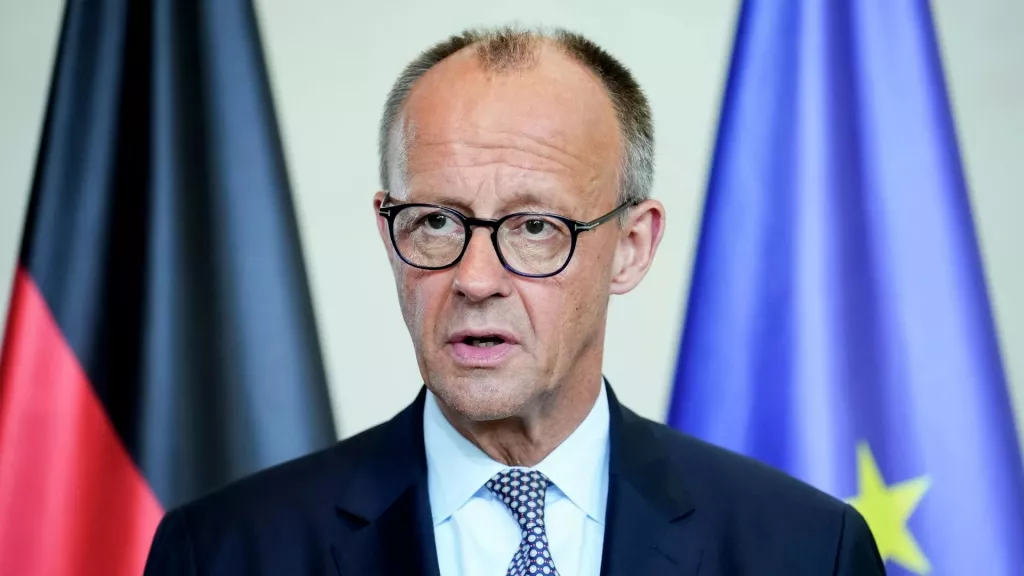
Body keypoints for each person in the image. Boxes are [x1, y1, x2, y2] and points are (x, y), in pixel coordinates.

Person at [143, 25, 885, 576]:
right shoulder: (224, 552)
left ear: (632, 246)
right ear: (388, 231)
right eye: (436, 222)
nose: (475, 279)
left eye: (534, 228)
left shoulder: (805, 551)